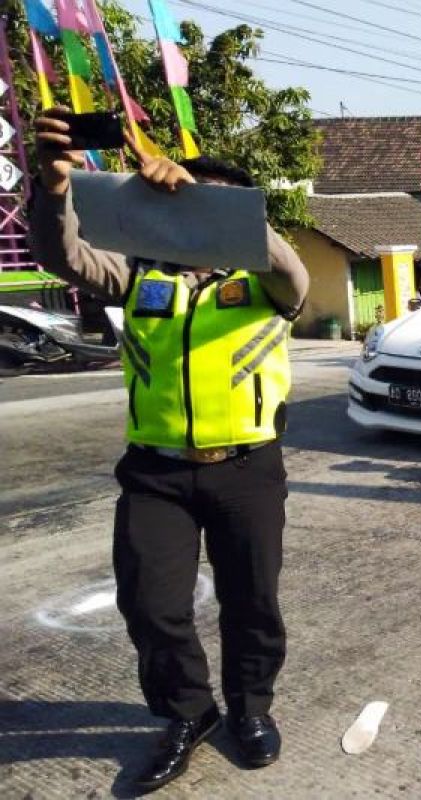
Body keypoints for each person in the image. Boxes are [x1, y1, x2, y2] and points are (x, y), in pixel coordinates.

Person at [28, 107, 308, 791]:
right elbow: (60, 255)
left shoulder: (266, 283)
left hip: (246, 469)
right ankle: (190, 712)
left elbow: (292, 272)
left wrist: (211, 203)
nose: (182, 213)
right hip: (155, 473)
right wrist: (54, 186)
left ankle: (250, 711)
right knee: (151, 606)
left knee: (252, 605)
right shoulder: (139, 276)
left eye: (201, 202)